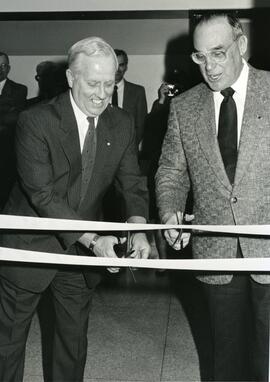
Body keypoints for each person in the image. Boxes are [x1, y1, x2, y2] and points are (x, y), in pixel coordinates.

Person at [0, 36, 150, 382]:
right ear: (71, 79)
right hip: (29, 247)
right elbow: (43, 194)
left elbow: (131, 182)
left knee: (72, 344)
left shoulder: (122, 122)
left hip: (78, 254)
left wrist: (138, 227)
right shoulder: (35, 121)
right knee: (7, 345)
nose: (102, 94)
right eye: (93, 83)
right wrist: (94, 239)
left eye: (110, 84)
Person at [156, 13, 270, 382]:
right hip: (216, 254)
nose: (210, 66)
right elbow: (171, 172)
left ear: (241, 45)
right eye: (200, 56)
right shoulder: (184, 108)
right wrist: (170, 210)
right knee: (225, 361)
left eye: (218, 53)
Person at [0, 52, 27, 210]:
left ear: (8, 68)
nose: (0, 69)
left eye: (3, 65)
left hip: (7, 154)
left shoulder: (19, 90)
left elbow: (13, 119)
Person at [113, 49, 147, 147]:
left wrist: (131, 147)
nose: (117, 69)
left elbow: (141, 124)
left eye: (121, 65)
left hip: (128, 151)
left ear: (126, 67)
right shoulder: (99, 91)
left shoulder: (137, 91)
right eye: (114, 65)